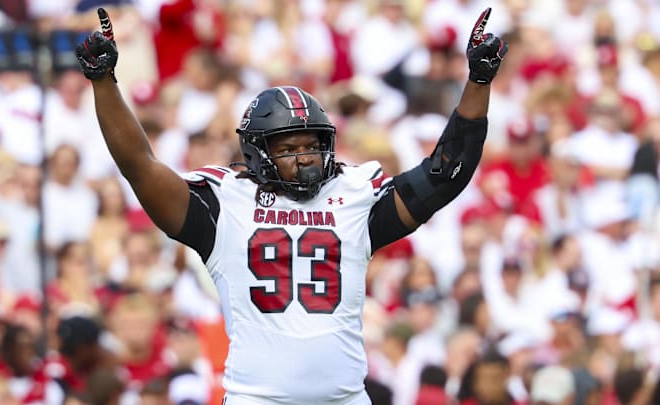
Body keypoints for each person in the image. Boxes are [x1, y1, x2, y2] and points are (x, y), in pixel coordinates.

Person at [75, 7, 507, 404]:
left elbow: (445, 174)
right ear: (258, 153)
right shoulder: (226, 203)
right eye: (289, 147)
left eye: (313, 144)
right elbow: (139, 165)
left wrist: (478, 82)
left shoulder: (353, 195)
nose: (305, 157)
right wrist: (104, 83)